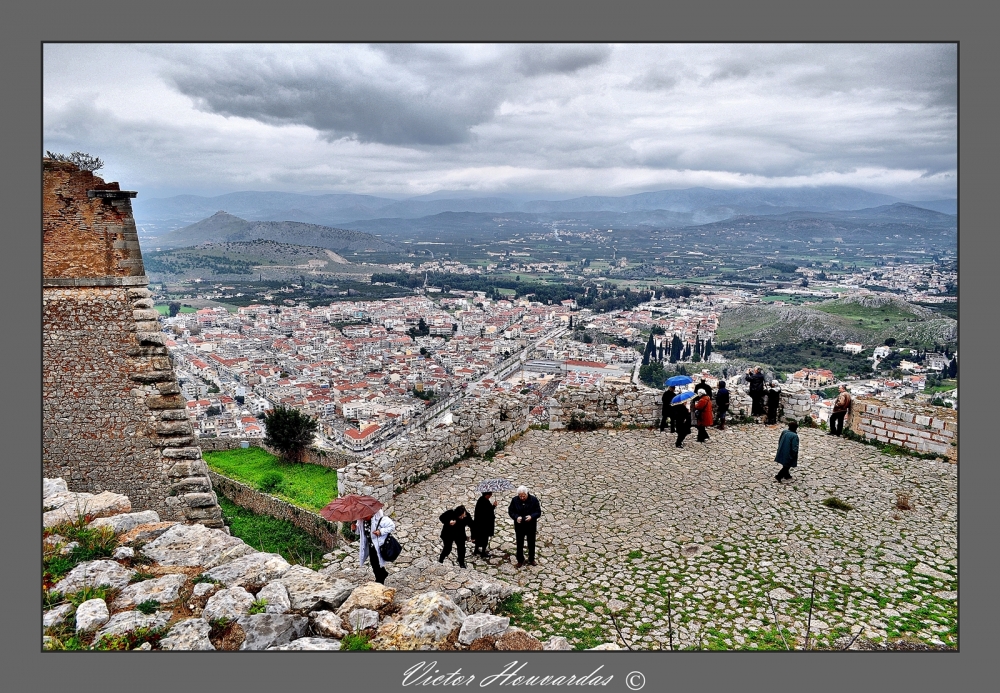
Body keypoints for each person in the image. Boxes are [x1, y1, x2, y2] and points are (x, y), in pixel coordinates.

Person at [352, 509, 395, 584]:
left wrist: (380, 531)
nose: (364, 518)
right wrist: (354, 528)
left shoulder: (380, 519)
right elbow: (359, 532)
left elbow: (392, 526)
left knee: (376, 561)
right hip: (370, 545)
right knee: (373, 562)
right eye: (362, 516)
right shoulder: (361, 520)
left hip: (379, 544)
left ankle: (380, 579)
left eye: (366, 516)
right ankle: (382, 574)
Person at [507, 486, 542, 568]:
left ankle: (531, 559)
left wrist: (531, 516)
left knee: (531, 543)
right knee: (519, 543)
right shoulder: (515, 500)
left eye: (523, 496)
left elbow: (538, 512)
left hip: (530, 525)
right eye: (520, 496)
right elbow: (511, 511)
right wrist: (516, 517)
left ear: (527, 494)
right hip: (519, 526)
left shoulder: (534, 500)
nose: (522, 498)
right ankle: (520, 560)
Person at [472, 491, 497, 558]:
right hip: (484, 525)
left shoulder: (481, 500)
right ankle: (483, 553)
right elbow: (487, 512)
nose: (491, 495)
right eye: (490, 494)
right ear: (486, 495)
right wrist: (494, 506)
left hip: (479, 524)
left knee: (478, 537)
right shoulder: (484, 502)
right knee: (485, 538)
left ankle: (476, 550)